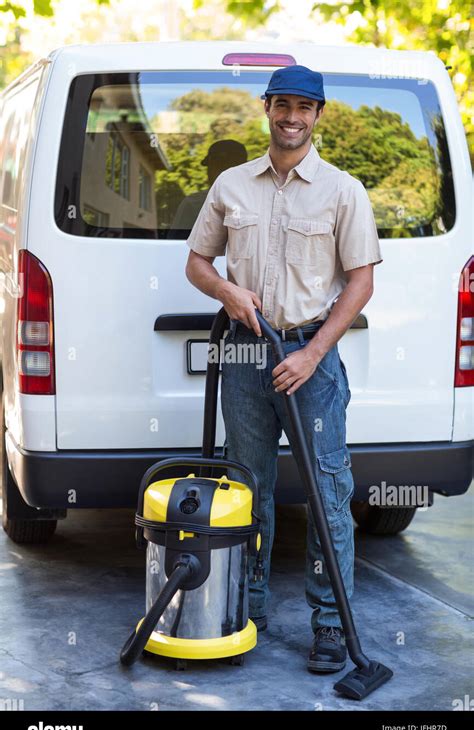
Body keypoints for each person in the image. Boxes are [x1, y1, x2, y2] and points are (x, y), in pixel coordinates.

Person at [185, 65, 382, 673]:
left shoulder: (343, 190)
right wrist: (227, 293)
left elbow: (361, 281)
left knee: (327, 496)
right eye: (283, 105)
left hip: (311, 364)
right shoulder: (232, 186)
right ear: (266, 108)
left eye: (304, 106)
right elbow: (196, 263)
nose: (292, 116)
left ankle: (329, 626)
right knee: (247, 491)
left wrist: (311, 353)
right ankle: (247, 607)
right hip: (246, 359)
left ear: (318, 115)